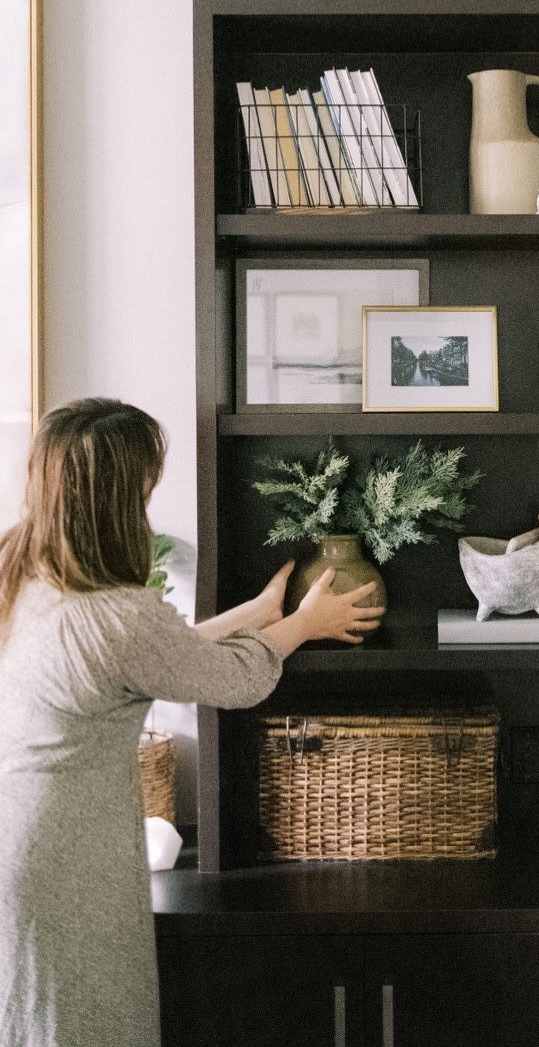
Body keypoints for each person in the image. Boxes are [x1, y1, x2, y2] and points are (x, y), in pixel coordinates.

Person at [0, 397, 383, 1047]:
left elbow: (152, 659)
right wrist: (303, 624)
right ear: (118, 493)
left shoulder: (31, 572)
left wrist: (256, 611)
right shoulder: (115, 610)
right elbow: (231, 679)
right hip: (70, 867)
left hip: (23, 847)